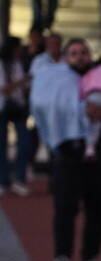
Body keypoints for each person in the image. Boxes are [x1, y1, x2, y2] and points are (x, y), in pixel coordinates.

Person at [31, 37, 101, 261]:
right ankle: (61, 258)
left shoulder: (100, 78)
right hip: (68, 150)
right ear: (65, 57)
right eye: (74, 53)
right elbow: (44, 105)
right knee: (64, 207)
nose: (80, 56)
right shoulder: (56, 79)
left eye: (84, 52)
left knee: (97, 210)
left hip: (99, 151)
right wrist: (81, 109)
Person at [1, 36, 33, 196]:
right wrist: (23, 82)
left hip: (19, 109)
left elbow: (24, 88)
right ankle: (3, 180)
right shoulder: (1, 65)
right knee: (2, 146)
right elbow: (4, 89)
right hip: (2, 108)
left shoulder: (19, 64)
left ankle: (20, 179)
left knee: (24, 143)